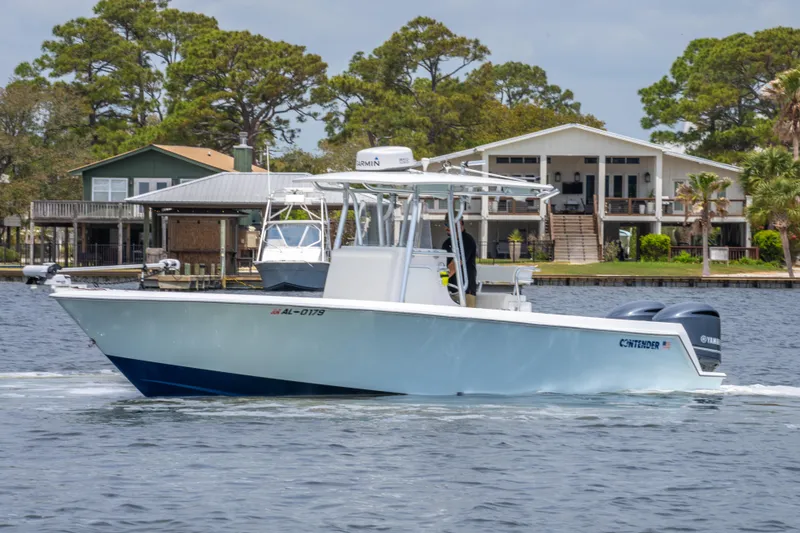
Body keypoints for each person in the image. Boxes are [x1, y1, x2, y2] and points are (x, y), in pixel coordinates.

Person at [441, 214, 477, 307]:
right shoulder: (446, 244)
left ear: (460, 223)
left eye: (448, 224)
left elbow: (456, 264)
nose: (446, 228)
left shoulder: (467, 241)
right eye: (445, 224)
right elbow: (442, 265)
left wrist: (440, 280)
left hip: (466, 292)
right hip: (450, 292)